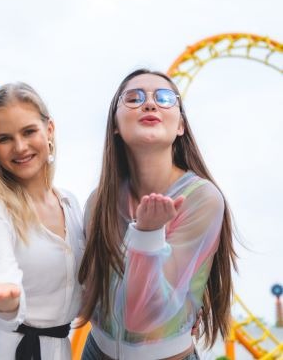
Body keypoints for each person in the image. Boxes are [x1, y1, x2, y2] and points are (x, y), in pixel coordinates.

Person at [78, 69, 236, 360]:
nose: (150, 104)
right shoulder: (98, 202)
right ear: (114, 124)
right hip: (95, 352)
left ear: (180, 126)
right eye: (134, 98)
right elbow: (83, 288)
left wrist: (147, 236)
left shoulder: (202, 199)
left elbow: (141, 318)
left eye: (164, 98)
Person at [0, 82, 84, 360]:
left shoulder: (71, 204)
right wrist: (6, 301)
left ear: (49, 131)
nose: (19, 147)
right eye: (4, 138)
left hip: (57, 351)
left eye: (29, 131)